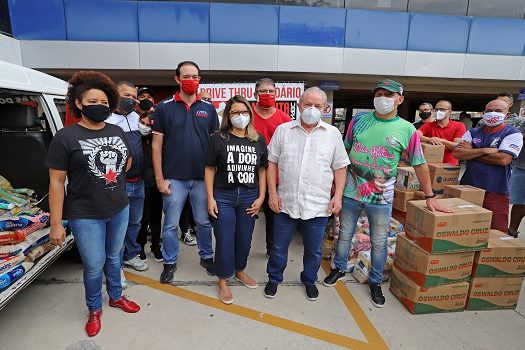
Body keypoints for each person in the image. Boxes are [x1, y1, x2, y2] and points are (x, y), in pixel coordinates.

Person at [324, 79, 451, 308]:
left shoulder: (407, 129)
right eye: (379, 93)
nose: (382, 98)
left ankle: (375, 282)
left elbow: (420, 164)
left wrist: (430, 196)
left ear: (399, 100)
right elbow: (345, 153)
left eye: (388, 95)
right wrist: (337, 187)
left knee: (379, 242)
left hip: (380, 198)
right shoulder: (359, 121)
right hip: (352, 193)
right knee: (344, 235)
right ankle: (339, 269)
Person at [46, 71, 140, 337]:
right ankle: (94, 309)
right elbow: (56, 182)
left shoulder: (116, 130)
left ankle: (116, 296)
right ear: (78, 103)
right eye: (92, 101)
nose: (99, 106)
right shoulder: (66, 137)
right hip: (86, 214)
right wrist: (56, 223)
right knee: (94, 264)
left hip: (119, 208)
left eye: (103, 101)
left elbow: (127, 162)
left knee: (114, 257)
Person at [264, 87, 350, 301]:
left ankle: (309, 280)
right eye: (308, 104)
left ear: (325, 108)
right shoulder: (283, 130)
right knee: (278, 247)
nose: (312, 109)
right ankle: (274, 278)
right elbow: (271, 162)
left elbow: (340, 167)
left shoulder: (332, 135)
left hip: (318, 205)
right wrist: (272, 194)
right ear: (299, 105)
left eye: (318, 106)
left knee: (313, 250)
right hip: (286, 202)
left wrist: (337, 196)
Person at [152, 61, 220, 283]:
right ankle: (170, 262)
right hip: (174, 179)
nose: (192, 80)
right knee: (170, 224)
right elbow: (156, 146)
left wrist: (215, 179)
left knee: (203, 222)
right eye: (187, 76)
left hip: (202, 179)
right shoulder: (164, 107)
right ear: (177, 79)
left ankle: (207, 257)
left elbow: (215, 146)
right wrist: (160, 179)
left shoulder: (208, 109)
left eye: (195, 76)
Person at [204, 95, 268, 304]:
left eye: (244, 112)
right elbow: (210, 168)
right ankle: (223, 279)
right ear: (228, 116)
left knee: (244, 238)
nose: (240, 116)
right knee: (224, 238)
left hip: (249, 196)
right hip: (224, 196)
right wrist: (210, 198)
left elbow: (262, 170)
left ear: (250, 114)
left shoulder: (257, 139)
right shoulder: (218, 138)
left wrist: (261, 197)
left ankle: (239, 270)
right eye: (235, 113)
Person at [454, 99, 523, 233]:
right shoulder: (473, 132)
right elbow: (457, 153)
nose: (492, 114)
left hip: (496, 190)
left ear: (507, 115)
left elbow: (503, 159)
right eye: (489, 111)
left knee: (496, 232)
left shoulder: (513, 133)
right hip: (469, 188)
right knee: (464, 229)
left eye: (498, 111)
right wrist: (484, 150)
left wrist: (472, 151)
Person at [106, 82, 148, 273]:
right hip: (117, 183)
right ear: (115, 94)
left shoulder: (136, 117)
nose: (131, 99)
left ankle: (131, 254)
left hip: (138, 182)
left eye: (134, 96)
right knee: (116, 225)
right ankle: (116, 262)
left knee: (134, 223)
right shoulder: (106, 119)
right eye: (127, 95)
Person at [252, 78, 292, 257]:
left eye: (271, 91)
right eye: (263, 91)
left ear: (277, 94)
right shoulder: (248, 116)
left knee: (274, 217)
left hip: (275, 178)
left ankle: (272, 250)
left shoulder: (284, 119)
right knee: (247, 214)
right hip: (249, 176)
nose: (267, 95)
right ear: (255, 95)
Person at [135, 87, 163, 262]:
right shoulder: (131, 120)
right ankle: (140, 247)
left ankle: (156, 246)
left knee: (156, 216)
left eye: (149, 97)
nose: (145, 99)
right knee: (141, 218)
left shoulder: (159, 119)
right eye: (142, 97)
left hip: (156, 177)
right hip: (139, 179)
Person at [417, 100, 466, 166]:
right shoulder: (428, 125)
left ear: (450, 112)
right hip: (430, 164)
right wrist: (429, 139)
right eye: (436, 109)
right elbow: (415, 136)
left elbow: (457, 146)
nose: (438, 112)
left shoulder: (459, 126)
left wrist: (441, 141)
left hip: (449, 165)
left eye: (442, 109)